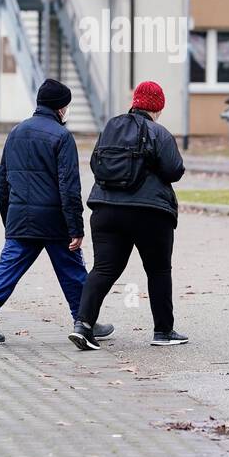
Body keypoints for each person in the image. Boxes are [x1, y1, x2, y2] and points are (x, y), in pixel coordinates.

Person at [0, 78, 114, 345]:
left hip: (20, 218)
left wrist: (9, 221)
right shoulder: (62, 137)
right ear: (61, 108)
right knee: (72, 270)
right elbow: (69, 186)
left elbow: (3, 182)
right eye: (67, 106)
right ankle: (85, 321)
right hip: (54, 220)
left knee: (8, 266)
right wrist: (76, 227)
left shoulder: (16, 132)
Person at [69, 80, 189, 350]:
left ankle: (83, 325)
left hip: (105, 209)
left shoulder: (110, 128)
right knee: (158, 270)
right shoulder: (159, 133)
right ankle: (163, 332)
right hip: (150, 214)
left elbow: (94, 163)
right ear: (157, 107)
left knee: (103, 269)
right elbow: (174, 171)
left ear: (135, 102)